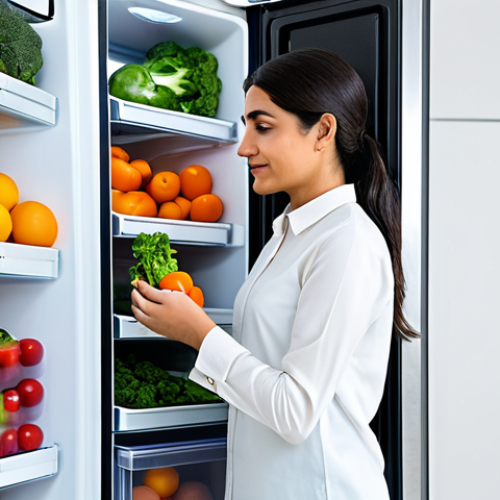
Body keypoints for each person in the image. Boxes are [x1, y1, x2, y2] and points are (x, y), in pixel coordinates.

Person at [131, 48, 418, 500]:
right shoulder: (287, 232)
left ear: (323, 130)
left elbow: (294, 410)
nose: (245, 146)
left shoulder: (346, 241)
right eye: (246, 126)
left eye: (262, 127)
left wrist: (200, 335)